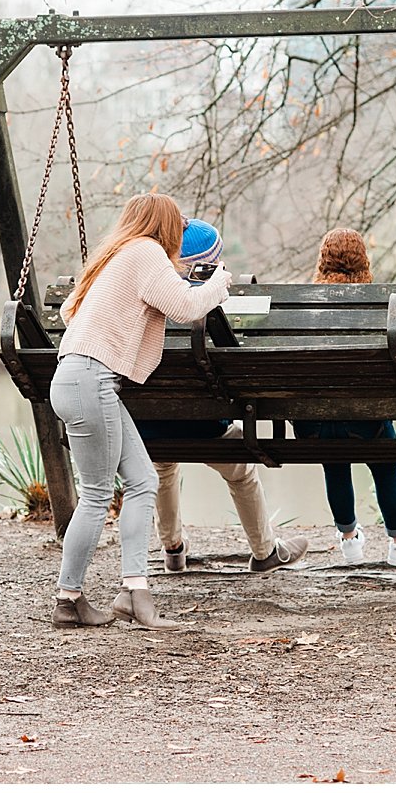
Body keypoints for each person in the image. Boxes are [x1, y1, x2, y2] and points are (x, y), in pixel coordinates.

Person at [47, 191, 231, 629]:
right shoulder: (146, 252)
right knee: (95, 498)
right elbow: (187, 308)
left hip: (78, 379)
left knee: (143, 480)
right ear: (163, 225)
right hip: (92, 380)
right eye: (178, 225)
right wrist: (219, 282)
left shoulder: (117, 256)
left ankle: (133, 593)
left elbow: (72, 310)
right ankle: (69, 599)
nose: (180, 232)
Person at [130, 218, 309, 576]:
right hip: (206, 426)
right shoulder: (209, 306)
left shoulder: (141, 298)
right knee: (241, 469)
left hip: (147, 426)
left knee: (163, 465)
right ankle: (264, 552)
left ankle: (173, 549)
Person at [295, 227, 396, 567]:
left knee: (334, 464)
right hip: (367, 422)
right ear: (363, 259)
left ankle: (349, 541)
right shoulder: (381, 302)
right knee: (385, 466)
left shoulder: (300, 305)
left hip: (315, 424)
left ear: (322, 261)